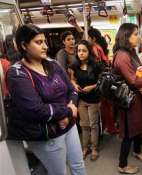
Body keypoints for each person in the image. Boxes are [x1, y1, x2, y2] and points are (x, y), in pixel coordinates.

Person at [6, 24, 85, 175]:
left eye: (44, 42)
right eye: (38, 42)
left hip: (69, 126)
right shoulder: (17, 74)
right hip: (48, 134)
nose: (45, 46)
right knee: (58, 172)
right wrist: (67, 111)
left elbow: (72, 90)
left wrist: (68, 112)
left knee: (78, 164)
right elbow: (36, 110)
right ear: (24, 45)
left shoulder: (53, 64)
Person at [113, 23, 142, 174]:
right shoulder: (122, 55)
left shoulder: (131, 52)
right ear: (126, 36)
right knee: (129, 132)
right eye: (135, 34)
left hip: (137, 97)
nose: (139, 37)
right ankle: (122, 165)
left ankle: (136, 151)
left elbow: (140, 71)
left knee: (138, 127)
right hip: (129, 100)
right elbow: (133, 80)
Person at [69, 40, 102, 161]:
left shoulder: (96, 65)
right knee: (84, 125)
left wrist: (92, 87)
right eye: (79, 51)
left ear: (89, 52)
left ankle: (94, 148)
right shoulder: (74, 65)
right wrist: (74, 85)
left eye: (84, 51)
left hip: (94, 99)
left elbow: (101, 81)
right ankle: (85, 148)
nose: (81, 53)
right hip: (81, 99)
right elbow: (72, 79)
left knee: (93, 125)